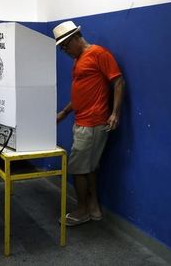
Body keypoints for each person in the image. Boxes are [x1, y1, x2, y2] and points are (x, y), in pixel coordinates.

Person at [53, 21, 125, 226]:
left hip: (92, 123)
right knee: (89, 168)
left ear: (76, 37)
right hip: (83, 120)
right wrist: (65, 113)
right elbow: (81, 94)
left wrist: (115, 113)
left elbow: (118, 81)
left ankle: (82, 210)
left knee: (77, 169)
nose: (65, 51)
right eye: (62, 48)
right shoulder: (79, 59)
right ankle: (94, 208)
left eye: (65, 45)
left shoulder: (98, 53)